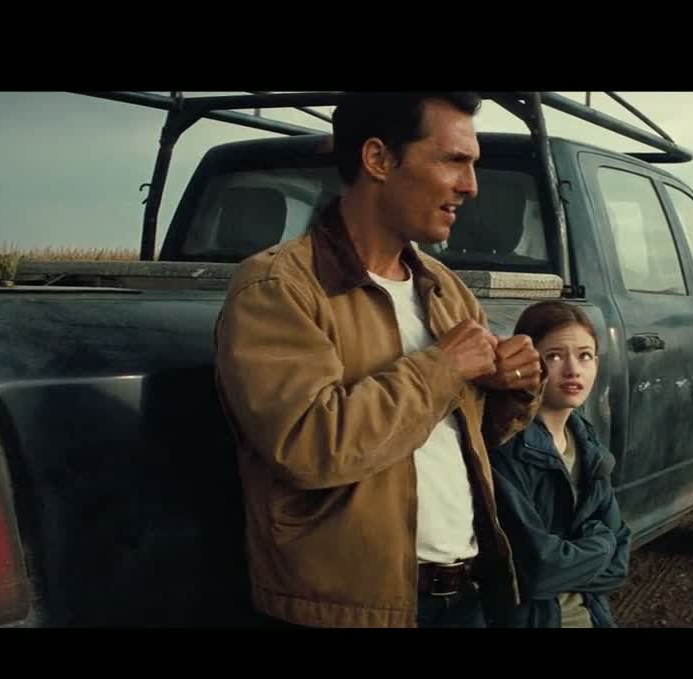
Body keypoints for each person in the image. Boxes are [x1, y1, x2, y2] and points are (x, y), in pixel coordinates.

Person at [212, 92, 543, 628]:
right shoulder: (279, 288)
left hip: (462, 597)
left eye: (472, 164)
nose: (471, 185)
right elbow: (308, 447)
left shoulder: (446, 289)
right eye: (453, 160)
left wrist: (509, 385)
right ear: (379, 159)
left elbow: (462, 439)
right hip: (347, 611)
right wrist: (443, 368)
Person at [484, 301, 632, 628]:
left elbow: (620, 562)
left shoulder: (587, 443)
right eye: (554, 356)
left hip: (591, 618)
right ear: (528, 363)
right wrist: (602, 543)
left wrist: (580, 555)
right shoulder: (507, 448)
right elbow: (538, 570)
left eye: (585, 356)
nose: (573, 370)